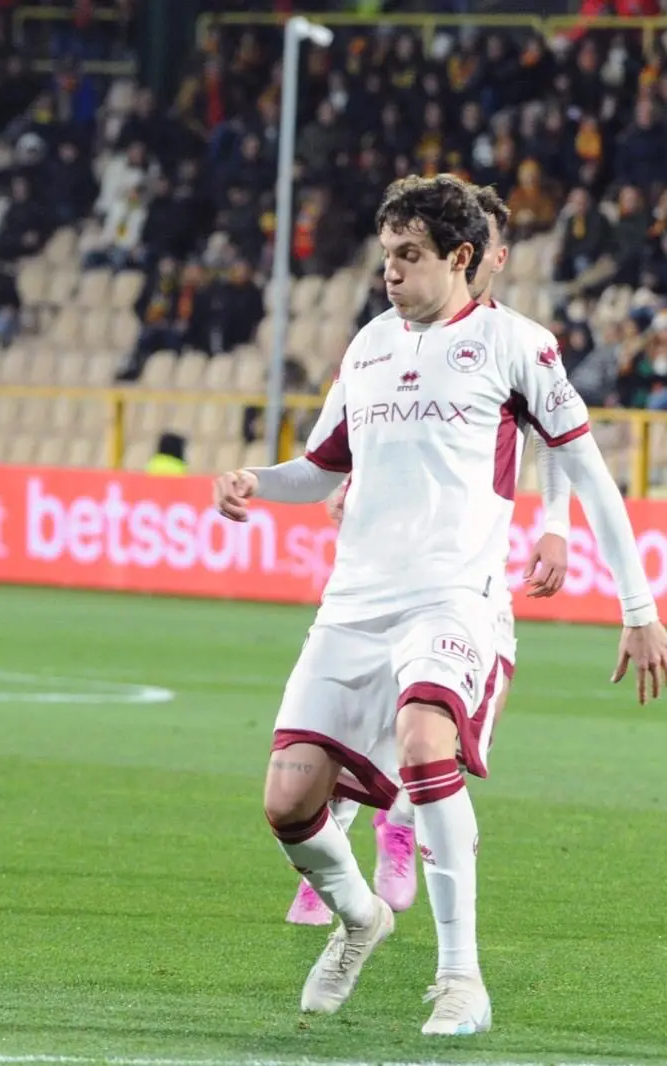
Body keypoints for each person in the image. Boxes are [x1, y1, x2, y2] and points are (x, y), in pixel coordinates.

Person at [214, 174, 667, 1035]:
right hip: (352, 604)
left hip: (455, 599)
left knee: (427, 742)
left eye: (407, 256)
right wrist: (255, 484)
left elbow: (587, 473)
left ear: (460, 258)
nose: (389, 272)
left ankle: (461, 978)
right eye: (386, 255)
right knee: (286, 804)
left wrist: (637, 605)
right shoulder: (367, 347)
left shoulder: (517, 346)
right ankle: (360, 916)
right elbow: (320, 468)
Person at [283, 183, 574, 927]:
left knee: (427, 732)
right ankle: (337, 865)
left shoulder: (512, 344)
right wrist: (354, 480)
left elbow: (559, 444)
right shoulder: (387, 338)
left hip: (464, 582)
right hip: (380, 578)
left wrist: (556, 524)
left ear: (483, 257)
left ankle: (401, 835)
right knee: (362, 718)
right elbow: (368, 438)